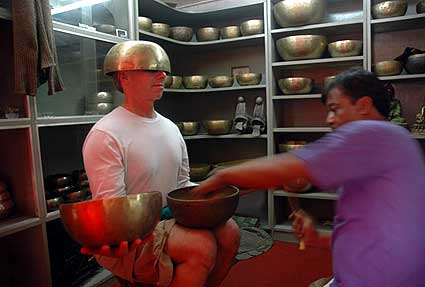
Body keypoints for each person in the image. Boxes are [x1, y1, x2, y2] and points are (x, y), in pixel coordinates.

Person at [193, 68, 425, 287]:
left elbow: (290, 166)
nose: (329, 119)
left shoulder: (373, 133)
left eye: (335, 108)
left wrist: (222, 176)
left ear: (364, 105)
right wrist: (318, 238)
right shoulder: (394, 139)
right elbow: (371, 235)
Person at [82, 40, 240, 287]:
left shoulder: (169, 128)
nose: (162, 74)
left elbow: (181, 184)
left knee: (230, 232)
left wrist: (212, 194)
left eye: (163, 69)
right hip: (131, 232)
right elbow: (113, 213)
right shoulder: (106, 134)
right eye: (150, 69)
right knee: (200, 246)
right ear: (124, 77)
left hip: (170, 217)